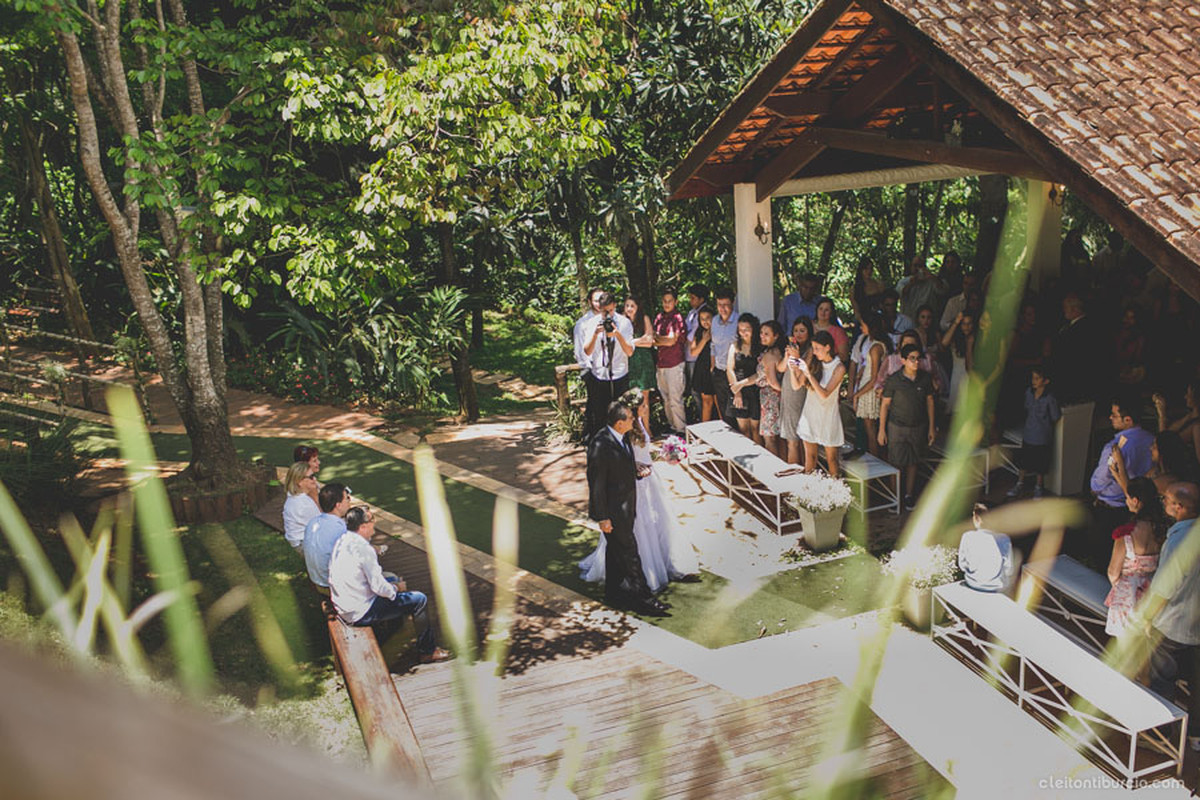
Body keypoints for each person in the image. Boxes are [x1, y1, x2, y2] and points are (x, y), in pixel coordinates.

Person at [580, 409, 699, 592]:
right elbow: (621, 463)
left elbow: (640, 455)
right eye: (643, 405)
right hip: (634, 486)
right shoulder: (619, 434)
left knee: (659, 523)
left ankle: (666, 562)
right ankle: (641, 575)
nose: (646, 407)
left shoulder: (638, 423)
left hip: (650, 480)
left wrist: (664, 455)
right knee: (639, 528)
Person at [329, 506, 451, 663]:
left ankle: (394, 633)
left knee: (393, 582)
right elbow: (379, 587)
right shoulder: (364, 549)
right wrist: (397, 588)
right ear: (363, 526)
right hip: (360, 610)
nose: (375, 523)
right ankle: (427, 651)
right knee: (419, 599)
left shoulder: (343, 540)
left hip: (345, 604)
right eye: (372, 520)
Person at [585, 400, 667, 616]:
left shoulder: (621, 438)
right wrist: (602, 517)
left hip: (627, 507)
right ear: (620, 423)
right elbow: (597, 484)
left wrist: (637, 472)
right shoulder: (600, 445)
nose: (634, 420)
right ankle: (646, 600)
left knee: (615, 552)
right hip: (614, 512)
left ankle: (612, 593)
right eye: (630, 418)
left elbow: (622, 467)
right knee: (630, 554)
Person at [1141, 481, 1200, 751]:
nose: (1162, 501)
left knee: (1163, 681)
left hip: (1172, 626)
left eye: (1165, 498)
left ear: (1179, 506)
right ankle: (1196, 735)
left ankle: (1160, 738)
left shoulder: (1181, 540)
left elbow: (1165, 586)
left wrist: (1146, 618)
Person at [1088, 396, 1155, 565]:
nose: (1110, 418)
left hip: (1111, 507)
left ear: (1128, 420)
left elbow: (1101, 479)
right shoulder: (1151, 440)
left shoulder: (1115, 446)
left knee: (1103, 553)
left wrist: (1094, 489)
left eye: (1114, 415)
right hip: (1136, 505)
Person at [879, 343, 937, 510]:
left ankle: (909, 495)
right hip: (897, 426)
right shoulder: (894, 379)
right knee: (895, 462)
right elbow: (885, 405)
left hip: (918, 426)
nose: (916, 362)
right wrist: (882, 430)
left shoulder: (925, 379)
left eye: (918, 358)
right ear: (903, 360)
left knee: (913, 462)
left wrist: (932, 428)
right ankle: (894, 496)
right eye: (912, 358)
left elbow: (930, 402)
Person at [1103, 477, 1162, 636]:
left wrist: (1122, 586)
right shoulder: (1163, 530)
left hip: (1127, 597)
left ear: (1135, 500)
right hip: (1152, 594)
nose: (1126, 501)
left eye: (1127, 497)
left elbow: (1112, 572)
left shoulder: (1125, 533)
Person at [582, 292, 634, 440]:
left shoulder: (624, 323)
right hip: (600, 375)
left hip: (620, 374)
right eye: (605, 312)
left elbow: (629, 352)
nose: (608, 315)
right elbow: (587, 351)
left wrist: (618, 335)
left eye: (610, 311)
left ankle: (622, 448)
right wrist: (595, 334)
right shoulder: (592, 323)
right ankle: (601, 450)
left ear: (615, 306)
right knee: (600, 416)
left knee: (621, 416)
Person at [795, 330, 846, 477]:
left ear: (828, 347)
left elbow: (825, 394)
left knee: (832, 460)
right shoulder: (815, 363)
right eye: (813, 348)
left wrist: (808, 374)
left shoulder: (839, 367)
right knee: (810, 459)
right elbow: (797, 385)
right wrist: (795, 370)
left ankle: (836, 495)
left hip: (828, 416)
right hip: (810, 414)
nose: (815, 352)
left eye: (817, 348)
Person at [1007, 366, 1061, 498]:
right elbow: (1026, 407)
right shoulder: (1029, 393)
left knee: (1040, 465)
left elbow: (1055, 416)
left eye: (1037, 378)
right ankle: (1019, 484)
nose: (1034, 381)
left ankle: (1038, 487)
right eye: (1033, 378)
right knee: (1023, 462)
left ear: (1046, 381)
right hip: (1029, 433)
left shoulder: (1049, 398)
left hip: (1042, 436)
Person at [849, 312, 890, 457]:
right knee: (869, 429)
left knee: (871, 431)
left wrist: (857, 395)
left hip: (869, 391)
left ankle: (876, 463)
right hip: (866, 387)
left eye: (863, 325)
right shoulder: (874, 344)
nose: (860, 328)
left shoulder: (876, 348)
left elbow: (874, 379)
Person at [303, 482, 353, 591]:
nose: (350, 501)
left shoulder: (313, 522)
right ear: (338, 505)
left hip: (316, 579)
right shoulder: (340, 529)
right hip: (333, 586)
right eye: (347, 498)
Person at [959, 504, 1017, 594]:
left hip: (972, 584)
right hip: (996, 587)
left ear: (977, 518)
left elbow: (962, 565)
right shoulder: (1004, 539)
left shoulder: (967, 536)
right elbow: (1009, 570)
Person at [653, 288, 688, 435]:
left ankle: (681, 430)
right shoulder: (659, 317)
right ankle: (672, 427)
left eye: (670, 301)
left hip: (674, 363)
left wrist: (661, 340)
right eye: (665, 301)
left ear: (676, 302)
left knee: (675, 399)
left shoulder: (678, 318)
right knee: (666, 399)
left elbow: (672, 341)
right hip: (661, 364)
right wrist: (664, 340)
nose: (667, 304)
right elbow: (654, 340)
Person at [779, 317, 813, 466]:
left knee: (795, 438)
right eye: (796, 330)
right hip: (786, 392)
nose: (798, 334)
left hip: (798, 394)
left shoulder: (810, 349)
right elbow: (780, 368)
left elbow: (801, 374)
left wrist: (797, 357)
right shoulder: (791, 347)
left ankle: (796, 471)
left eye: (802, 330)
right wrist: (787, 356)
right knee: (789, 437)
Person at [726, 313, 762, 442]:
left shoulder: (760, 347)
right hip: (739, 391)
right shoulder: (735, 346)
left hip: (756, 389)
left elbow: (761, 373)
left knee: (756, 430)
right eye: (740, 330)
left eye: (746, 329)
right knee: (743, 429)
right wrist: (737, 391)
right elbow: (730, 368)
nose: (743, 333)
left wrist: (741, 384)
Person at [623, 295, 656, 433]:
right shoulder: (622, 321)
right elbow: (621, 343)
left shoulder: (644, 319)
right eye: (627, 306)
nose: (629, 309)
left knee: (644, 398)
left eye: (632, 306)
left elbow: (649, 342)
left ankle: (646, 430)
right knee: (630, 398)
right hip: (628, 362)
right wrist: (638, 341)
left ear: (637, 308)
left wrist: (631, 342)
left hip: (643, 361)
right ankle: (633, 430)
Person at [709, 287, 739, 428]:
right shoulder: (714, 321)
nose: (723, 309)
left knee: (736, 409)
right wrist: (712, 366)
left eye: (726, 305)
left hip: (734, 372)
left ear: (732, 304)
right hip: (719, 371)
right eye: (720, 305)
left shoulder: (739, 321)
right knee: (723, 409)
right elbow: (713, 345)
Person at [1153, 379, 1200, 466]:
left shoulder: (1197, 426)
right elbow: (1168, 433)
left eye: (1189, 394)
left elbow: (1163, 444)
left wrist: (1162, 415)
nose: (1185, 397)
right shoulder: (1191, 416)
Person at [756, 320, 785, 457]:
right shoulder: (778, 351)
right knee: (780, 437)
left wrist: (784, 392)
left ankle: (774, 468)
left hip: (769, 398)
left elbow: (772, 382)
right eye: (761, 333)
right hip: (776, 397)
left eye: (767, 334)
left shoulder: (769, 355)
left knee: (769, 438)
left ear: (776, 336)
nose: (762, 336)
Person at [683, 284, 709, 422]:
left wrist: (682, 338)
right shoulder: (691, 313)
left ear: (701, 299)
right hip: (688, 355)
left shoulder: (704, 314)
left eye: (693, 298)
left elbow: (691, 335)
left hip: (698, 357)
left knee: (699, 391)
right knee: (693, 391)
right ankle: (700, 417)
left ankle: (705, 420)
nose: (690, 300)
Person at [282, 462, 320, 553]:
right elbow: (323, 522)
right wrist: (315, 496)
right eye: (311, 477)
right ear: (299, 482)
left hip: (297, 540)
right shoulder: (304, 504)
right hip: (304, 544)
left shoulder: (293, 495)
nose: (314, 479)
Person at [941, 311, 976, 410]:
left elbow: (969, 368)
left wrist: (969, 345)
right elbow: (944, 343)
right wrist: (956, 322)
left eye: (969, 323)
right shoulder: (956, 340)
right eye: (964, 324)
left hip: (971, 380)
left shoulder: (976, 340)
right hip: (957, 379)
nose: (967, 327)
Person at [689, 306, 717, 422]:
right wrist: (704, 340)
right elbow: (693, 352)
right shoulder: (699, 332)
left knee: (719, 401)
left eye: (708, 318)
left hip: (716, 367)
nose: (705, 321)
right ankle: (705, 431)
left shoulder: (718, 330)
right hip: (702, 367)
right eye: (702, 319)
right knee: (706, 401)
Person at [1113, 305, 1147, 388]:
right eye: (1126, 317)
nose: (1127, 320)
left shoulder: (1139, 338)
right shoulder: (1116, 334)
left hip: (1132, 375)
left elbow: (1138, 359)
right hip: (1115, 372)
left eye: (1131, 318)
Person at [778, 272, 820, 338]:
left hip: (813, 343)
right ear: (800, 286)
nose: (808, 291)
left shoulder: (820, 303)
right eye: (805, 287)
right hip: (791, 342)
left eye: (812, 289)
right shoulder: (788, 301)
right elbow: (781, 326)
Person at [573, 287, 605, 368]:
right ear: (590, 302)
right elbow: (579, 351)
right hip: (592, 369)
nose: (600, 304)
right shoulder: (582, 324)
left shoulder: (613, 319)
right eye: (596, 301)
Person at [813, 296, 850, 363]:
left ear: (831, 313)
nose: (823, 312)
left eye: (826, 310)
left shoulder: (838, 332)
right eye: (821, 309)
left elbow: (844, 356)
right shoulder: (809, 326)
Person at [851, 257, 888, 321]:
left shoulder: (879, 285)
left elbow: (884, 305)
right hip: (862, 319)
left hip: (878, 317)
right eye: (866, 269)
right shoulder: (854, 289)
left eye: (871, 269)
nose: (869, 271)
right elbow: (856, 311)